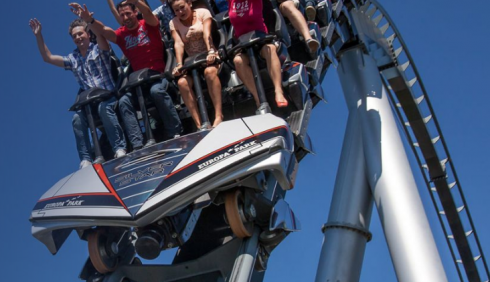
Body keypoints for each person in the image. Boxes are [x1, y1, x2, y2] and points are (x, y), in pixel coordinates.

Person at [71, 1, 182, 141]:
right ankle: (138, 143)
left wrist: (136, 1)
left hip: (158, 77)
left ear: (135, 12)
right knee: (124, 101)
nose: (125, 17)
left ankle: (175, 130)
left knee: (156, 91)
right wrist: (90, 20)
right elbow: (104, 31)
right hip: (138, 83)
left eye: (128, 13)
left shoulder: (148, 24)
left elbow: (147, 12)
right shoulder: (122, 35)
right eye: (122, 15)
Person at [29, 18, 128, 169]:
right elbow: (47, 58)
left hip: (109, 98)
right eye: (74, 36)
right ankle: (86, 159)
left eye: (80, 34)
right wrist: (38, 36)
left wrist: (89, 19)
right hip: (90, 104)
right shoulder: (73, 58)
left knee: (104, 108)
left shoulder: (98, 48)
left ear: (88, 34)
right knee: (77, 119)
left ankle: (119, 148)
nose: (78, 38)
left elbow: (101, 36)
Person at [169, 0, 223, 128]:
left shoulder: (203, 13)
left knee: (209, 72)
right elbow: (178, 43)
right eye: (176, 10)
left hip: (208, 56)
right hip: (191, 62)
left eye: (182, 7)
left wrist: (210, 51)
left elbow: (207, 34)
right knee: (182, 83)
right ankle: (200, 124)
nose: (180, 12)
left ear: (189, 4)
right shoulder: (173, 23)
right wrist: (179, 64)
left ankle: (218, 115)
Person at [228, 0, 288, 108]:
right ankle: (258, 99)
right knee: (238, 61)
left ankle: (278, 91)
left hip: (260, 38)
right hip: (243, 43)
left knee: (269, 49)